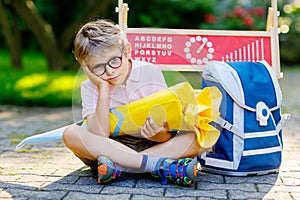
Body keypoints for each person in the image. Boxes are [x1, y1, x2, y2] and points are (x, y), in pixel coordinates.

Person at [62, 19, 208, 186]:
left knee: (198, 138)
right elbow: (100, 135)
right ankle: (159, 166)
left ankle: (122, 167)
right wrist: (102, 88)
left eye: (114, 61)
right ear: (87, 68)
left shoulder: (149, 72)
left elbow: (167, 133)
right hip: (112, 146)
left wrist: (158, 134)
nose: (109, 71)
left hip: (150, 144)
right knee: (71, 134)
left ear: (127, 51)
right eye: (98, 67)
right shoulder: (90, 87)